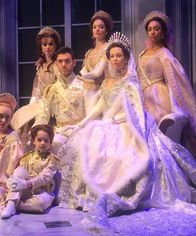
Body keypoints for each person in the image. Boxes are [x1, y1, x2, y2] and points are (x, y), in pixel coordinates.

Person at [58, 32, 196, 232]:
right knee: (82, 144)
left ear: (126, 58)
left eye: (119, 56)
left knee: (121, 154)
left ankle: (115, 192)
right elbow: (99, 108)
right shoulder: (106, 82)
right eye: (112, 56)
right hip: (107, 123)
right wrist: (82, 123)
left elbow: (134, 111)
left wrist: (114, 121)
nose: (115, 59)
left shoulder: (130, 82)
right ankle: (87, 194)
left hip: (125, 125)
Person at [137, 10, 196, 147]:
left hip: (158, 96)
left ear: (162, 32)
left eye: (156, 29)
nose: (152, 32)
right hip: (142, 95)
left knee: (156, 133)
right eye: (150, 29)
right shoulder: (143, 53)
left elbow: (176, 79)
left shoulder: (164, 54)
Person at [11, 27, 61, 152]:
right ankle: (26, 152)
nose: (48, 47)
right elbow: (37, 87)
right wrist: (32, 102)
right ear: (41, 47)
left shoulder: (57, 65)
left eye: (51, 44)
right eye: (45, 44)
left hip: (54, 101)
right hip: (41, 101)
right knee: (24, 117)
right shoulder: (40, 66)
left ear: (55, 46)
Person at [31, 47, 86, 153]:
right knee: (51, 145)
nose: (63, 65)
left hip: (81, 130)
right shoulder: (51, 89)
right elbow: (43, 113)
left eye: (67, 61)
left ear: (74, 63)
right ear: (56, 63)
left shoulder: (84, 85)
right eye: (60, 61)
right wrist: (36, 131)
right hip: (60, 132)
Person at [0, 124, 59, 219]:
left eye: (46, 140)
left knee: (39, 204)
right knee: (19, 171)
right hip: (26, 190)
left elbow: (44, 178)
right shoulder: (27, 157)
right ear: (34, 141)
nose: (42, 143)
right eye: (39, 140)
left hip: (43, 192)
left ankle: (13, 202)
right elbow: (19, 175)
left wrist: (24, 184)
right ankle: (11, 205)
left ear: (50, 143)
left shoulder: (52, 160)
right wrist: (15, 182)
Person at [80, 10, 113, 113]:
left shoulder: (108, 48)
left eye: (101, 27)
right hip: (88, 91)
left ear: (106, 31)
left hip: (102, 90)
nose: (97, 29)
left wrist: (84, 76)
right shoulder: (90, 52)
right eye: (95, 27)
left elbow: (98, 72)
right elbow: (83, 71)